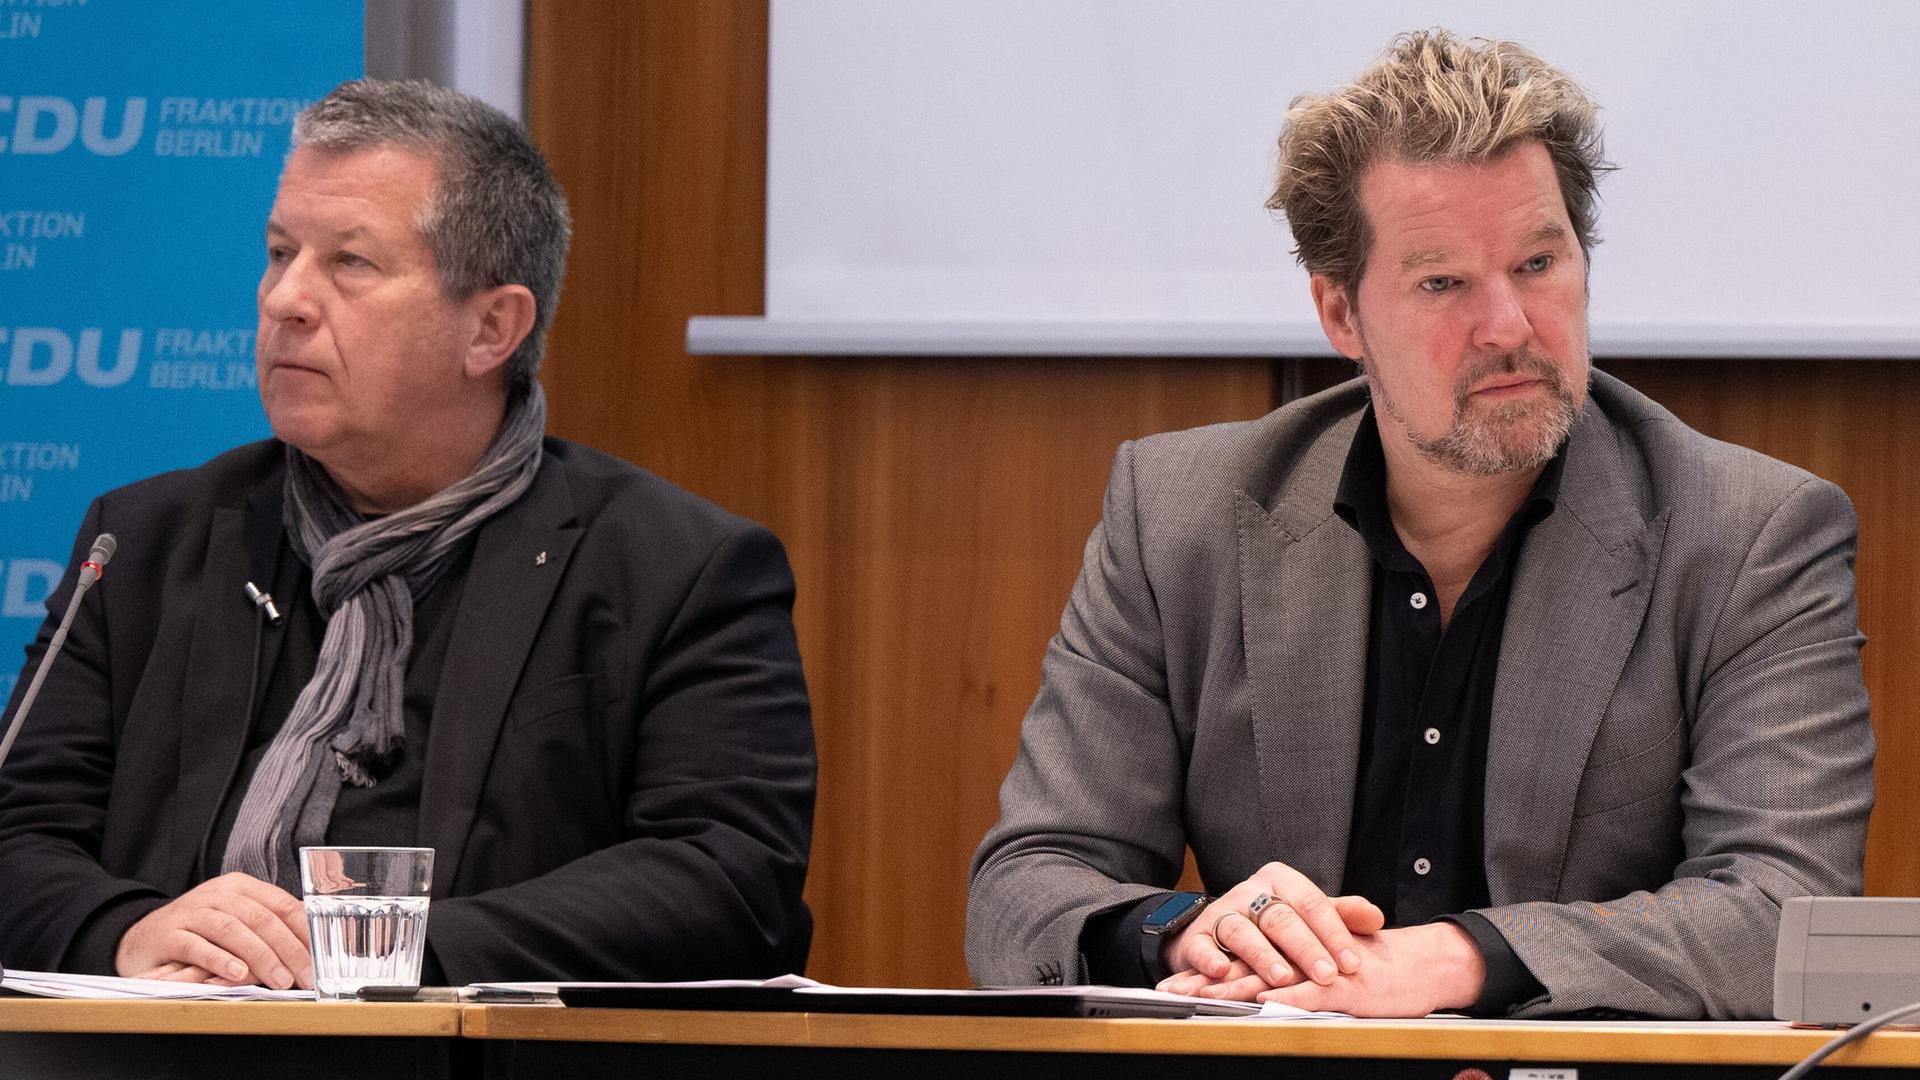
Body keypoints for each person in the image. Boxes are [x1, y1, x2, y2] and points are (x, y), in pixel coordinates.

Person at [965, 31, 1873, 1019]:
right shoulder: (1179, 518)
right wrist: (1190, 930)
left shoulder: (1750, 538)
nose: (1511, 326)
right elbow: (1028, 886)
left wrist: (1454, 960)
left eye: (1538, 262)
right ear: (1340, 315)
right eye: (1443, 282)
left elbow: (1787, 912)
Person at [0, 79, 815, 989]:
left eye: (349, 264)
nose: (285, 300)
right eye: (279, 254)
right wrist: (128, 933)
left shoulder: (675, 570)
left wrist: (382, 955)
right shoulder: (145, 543)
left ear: (492, 327)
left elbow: (728, 882)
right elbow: (15, 833)